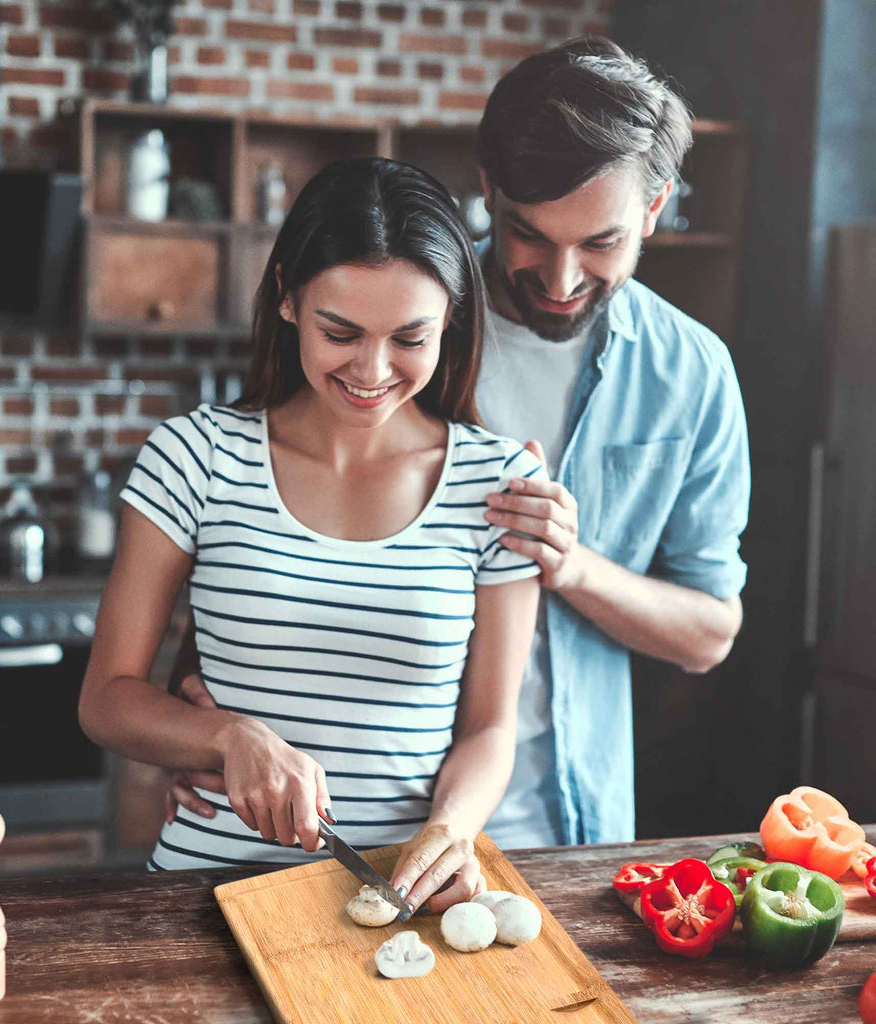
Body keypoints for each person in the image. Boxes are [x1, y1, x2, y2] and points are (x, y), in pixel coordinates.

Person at [165, 36, 751, 850]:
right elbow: (258, 513)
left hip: (565, 817)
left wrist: (569, 563)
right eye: (530, 236)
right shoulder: (393, 315)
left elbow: (710, 631)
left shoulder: (692, 373)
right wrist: (201, 723)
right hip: (346, 823)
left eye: (601, 244)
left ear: (653, 210)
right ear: (488, 189)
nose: (560, 278)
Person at [78, 156, 544, 914]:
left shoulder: (497, 486)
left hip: (398, 897)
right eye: (342, 331)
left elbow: (491, 727)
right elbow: (106, 699)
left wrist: (453, 831)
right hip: (208, 889)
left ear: (452, 318)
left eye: (409, 338)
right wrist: (227, 738)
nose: (372, 369)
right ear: (289, 298)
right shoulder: (194, 457)